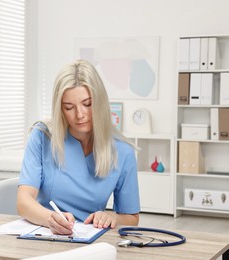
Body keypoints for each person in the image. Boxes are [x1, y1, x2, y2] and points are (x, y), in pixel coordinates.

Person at [17, 59, 140, 236]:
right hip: (44, 233)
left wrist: (110, 217)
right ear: (60, 109)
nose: (80, 115)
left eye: (87, 104)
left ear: (100, 102)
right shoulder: (42, 136)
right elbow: (23, 201)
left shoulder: (123, 151)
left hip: (91, 239)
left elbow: (131, 217)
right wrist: (50, 218)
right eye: (69, 107)